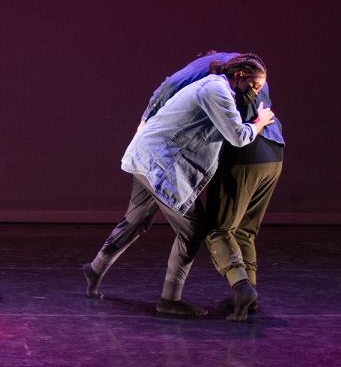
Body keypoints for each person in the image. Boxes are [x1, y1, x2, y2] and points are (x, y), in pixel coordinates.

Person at [84, 53, 275, 316]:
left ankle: (95, 269)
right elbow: (238, 137)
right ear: (240, 76)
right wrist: (259, 123)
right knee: (194, 229)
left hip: (147, 157)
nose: (255, 93)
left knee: (136, 219)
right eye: (254, 86)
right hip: (159, 163)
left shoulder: (214, 85)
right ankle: (169, 299)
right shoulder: (216, 90)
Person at [204, 65, 284, 321]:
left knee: (218, 228)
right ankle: (250, 294)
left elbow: (234, 128)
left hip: (247, 157)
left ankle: (242, 290)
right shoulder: (256, 74)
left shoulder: (227, 86)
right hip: (274, 156)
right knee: (245, 231)